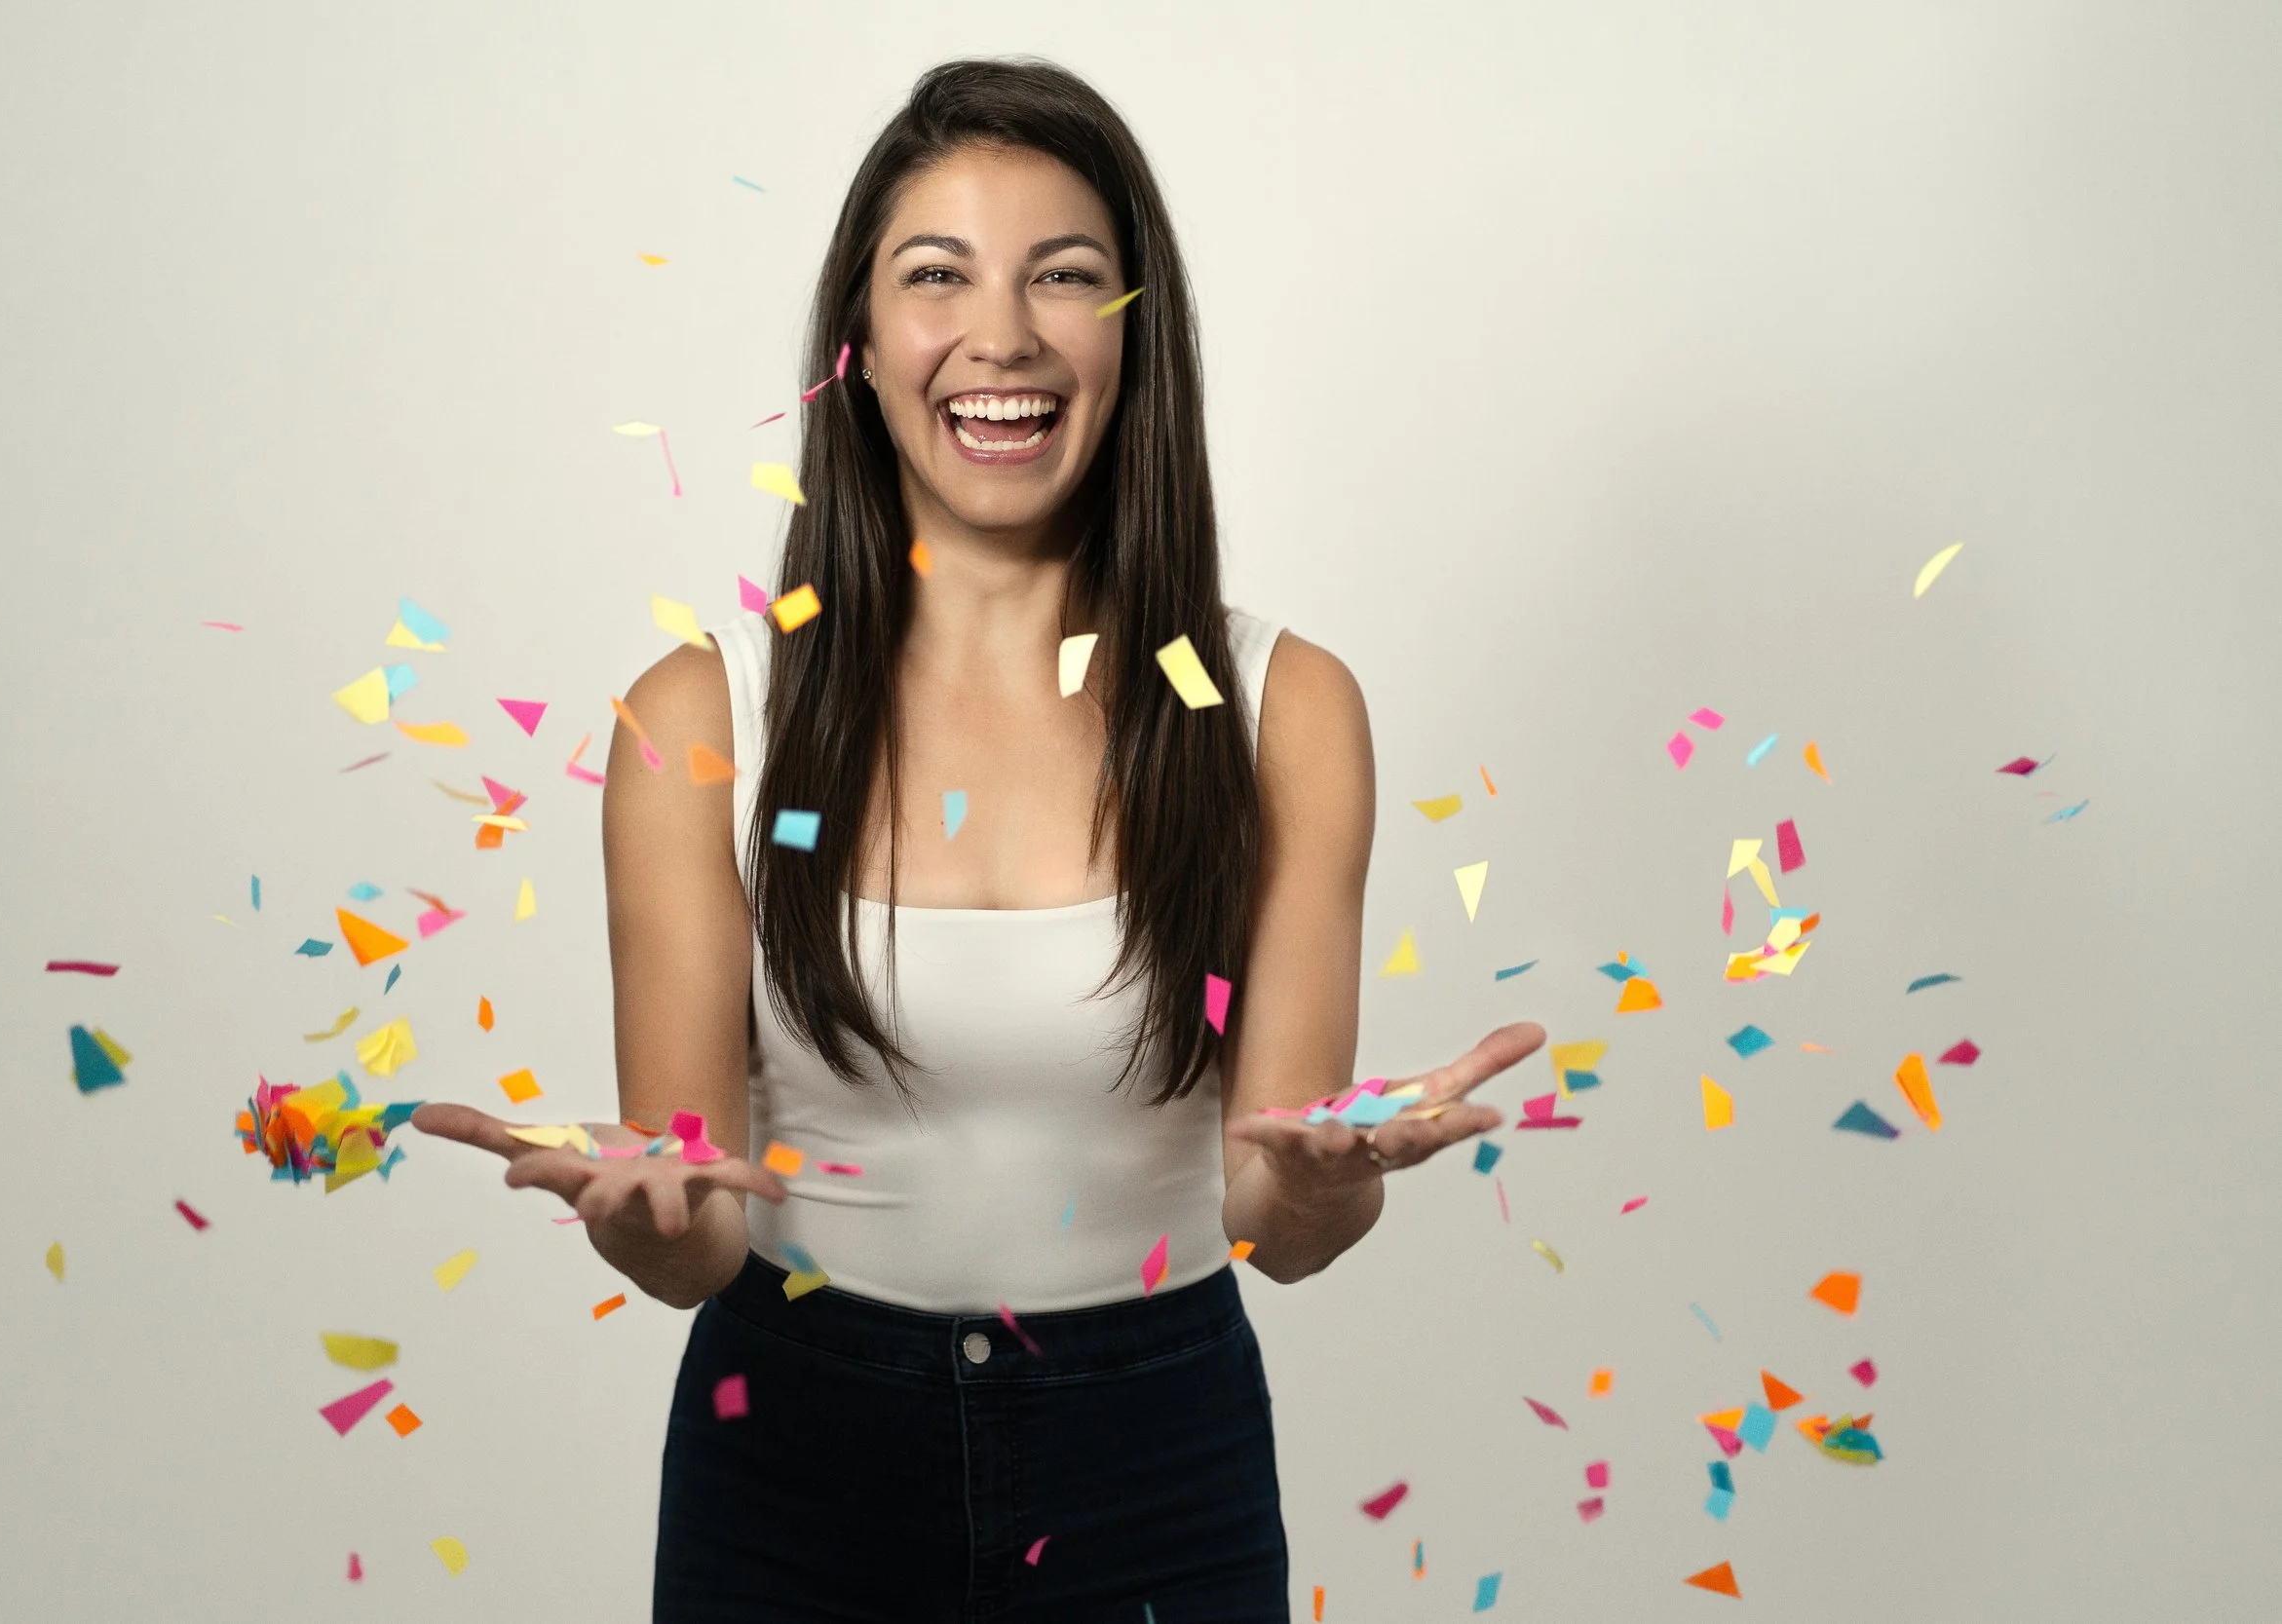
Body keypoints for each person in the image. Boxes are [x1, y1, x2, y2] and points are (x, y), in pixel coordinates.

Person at [416, 56, 1544, 1622]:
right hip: (791, 1459)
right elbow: (699, 1223)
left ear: (1135, 339)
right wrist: (650, 1225)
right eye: (936, 274)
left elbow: (1274, 1220)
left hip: (1158, 1461)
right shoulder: (698, 719)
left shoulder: (1289, 709)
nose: (1000, 336)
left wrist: (1340, 1178)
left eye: (1063, 277)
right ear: (861, 344)